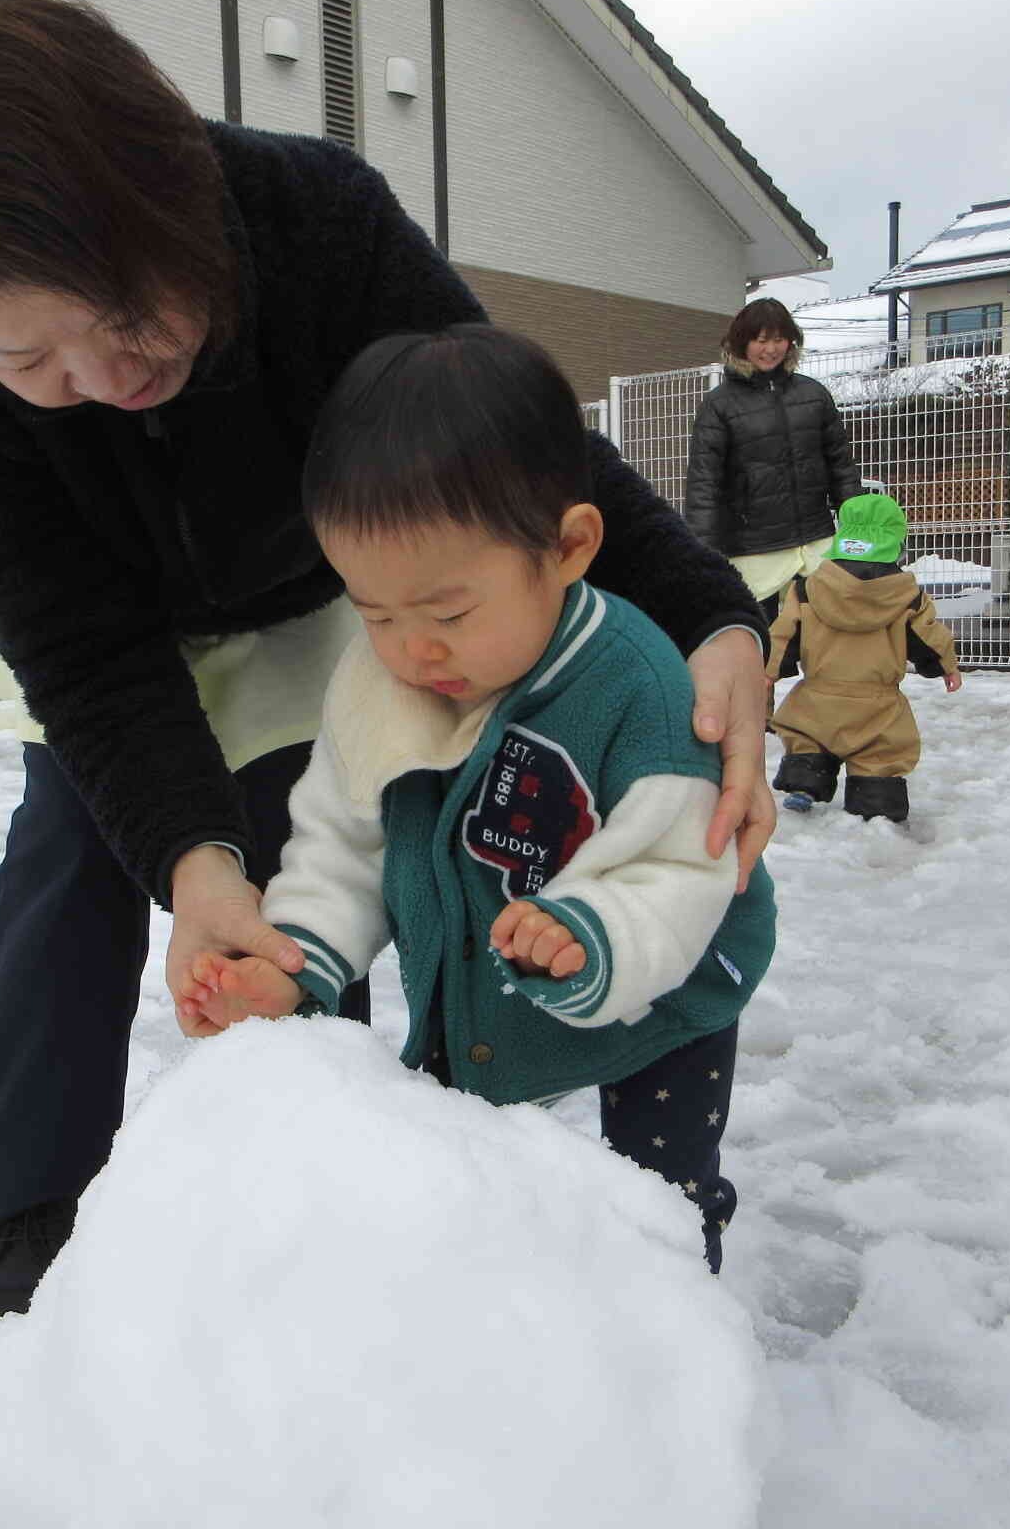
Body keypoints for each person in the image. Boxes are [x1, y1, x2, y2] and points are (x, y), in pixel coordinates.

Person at [0, 0, 778, 1394]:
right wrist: (187, 862)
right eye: (31, 362)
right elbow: (82, 656)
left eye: (121, 320)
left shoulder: (311, 219)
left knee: (323, 870)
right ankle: (30, 1229)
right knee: (70, 866)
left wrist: (711, 616)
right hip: (127, 647)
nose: (93, 381)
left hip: (342, 616)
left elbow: (513, 459)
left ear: (169, 198)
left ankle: (346, 1212)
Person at [178, 325, 776, 1273]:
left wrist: (593, 931)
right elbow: (342, 843)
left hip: (664, 984)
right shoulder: (379, 683)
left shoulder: (642, 689)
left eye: (449, 613)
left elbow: (681, 862)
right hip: (484, 973)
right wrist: (294, 964)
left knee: (660, 1195)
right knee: (472, 1179)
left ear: (569, 547)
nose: (414, 649)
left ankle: (673, 1333)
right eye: (374, 612)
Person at [762, 493, 961, 824]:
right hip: (877, 704)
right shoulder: (908, 597)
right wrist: (945, 667)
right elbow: (928, 636)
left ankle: (805, 778)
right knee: (881, 751)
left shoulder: (808, 590)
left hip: (818, 697)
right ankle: (876, 797)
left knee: (809, 737)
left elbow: (783, 635)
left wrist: (770, 670)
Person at [682, 298, 863, 622]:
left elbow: (841, 468)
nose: (771, 349)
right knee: (760, 648)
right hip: (753, 551)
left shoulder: (813, 395)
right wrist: (702, 555)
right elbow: (703, 486)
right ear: (742, 343)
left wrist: (857, 528)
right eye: (761, 340)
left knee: (824, 642)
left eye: (779, 339)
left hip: (815, 542)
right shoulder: (719, 405)